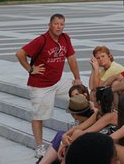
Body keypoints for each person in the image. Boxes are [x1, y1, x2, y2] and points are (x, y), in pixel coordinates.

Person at [15, 13, 82, 159]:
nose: (59, 27)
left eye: (61, 24)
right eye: (56, 24)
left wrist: (77, 78)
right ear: (50, 25)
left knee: (80, 94)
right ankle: (39, 147)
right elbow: (20, 53)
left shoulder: (65, 38)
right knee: (39, 115)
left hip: (58, 82)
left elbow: (71, 58)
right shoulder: (41, 40)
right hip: (41, 86)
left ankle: (78, 124)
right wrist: (31, 69)